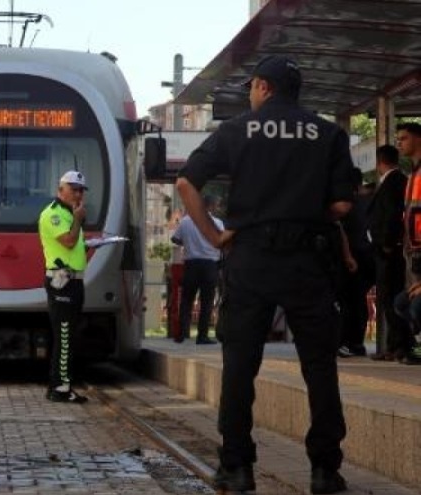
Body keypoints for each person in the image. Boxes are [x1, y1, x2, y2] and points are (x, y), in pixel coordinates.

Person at [176, 55, 352, 494]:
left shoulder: (237, 130)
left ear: (263, 87)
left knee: (240, 365)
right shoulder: (328, 133)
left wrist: (214, 237)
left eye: (252, 88)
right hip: (308, 260)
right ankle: (324, 470)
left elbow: (186, 183)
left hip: (250, 258)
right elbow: (342, 205)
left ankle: (237, 467)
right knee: (319, 366)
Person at [38, 170, 89, 404]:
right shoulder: (53, 214)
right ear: (60, 190)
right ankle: (60, 388)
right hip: (62, 283)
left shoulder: (69, 214)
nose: (78, 194)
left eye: (81, 190)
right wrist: (78, 219)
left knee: (69, 335)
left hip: (73, 281)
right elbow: (68, 242)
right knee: (65, 336)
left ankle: (59, 385)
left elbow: (74, 246)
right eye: (74, 189)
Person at [366, 145, 418, 364]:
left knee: (389, 298)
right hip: (390, 248)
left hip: (389, 250)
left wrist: (387, 243)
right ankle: (395, 345)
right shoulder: (400, 179)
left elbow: (392, 213)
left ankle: (399, 346)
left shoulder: (393, 182)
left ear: (379, 162)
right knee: (389, 298)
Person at [171, 195, 224, 344]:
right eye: (216, 205)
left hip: (191, 265)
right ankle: (202, 336)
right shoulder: (217, 223)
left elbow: (175, 239)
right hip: (210, 266)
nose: (217, 208)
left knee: (186, 300)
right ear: (211, 206)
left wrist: (189, 242)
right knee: (207, 302)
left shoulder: (186, 221)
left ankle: (181, 334)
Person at [336, 167, 374, 358]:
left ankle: (349, 342)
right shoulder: (368, 201)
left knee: (349, 303)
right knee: (357, 302)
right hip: (368, 257)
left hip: (352, 259)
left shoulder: (345, 205)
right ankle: (355, 342)